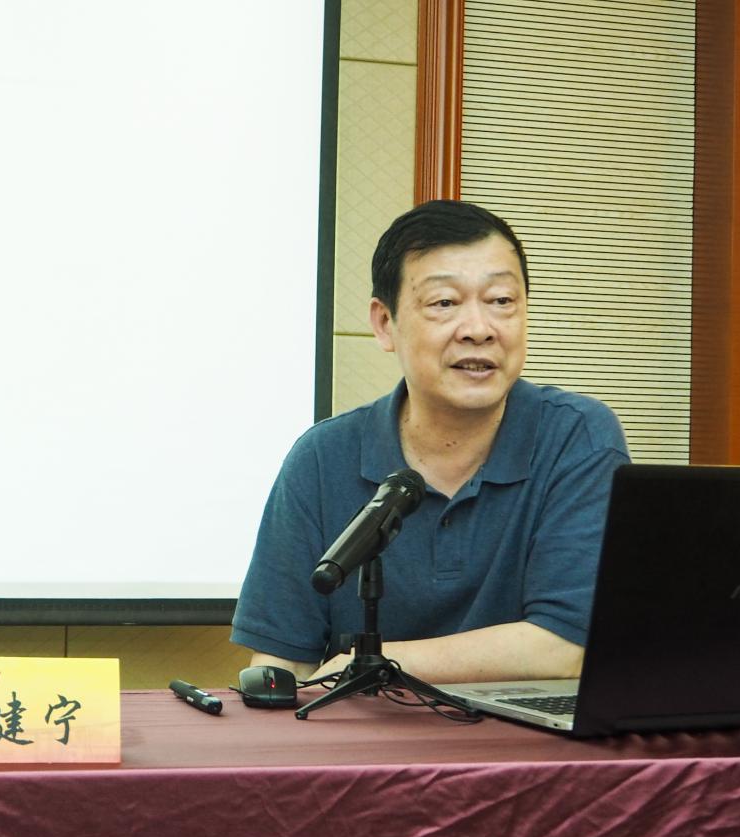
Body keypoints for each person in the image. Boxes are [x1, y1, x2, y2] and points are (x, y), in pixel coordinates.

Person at [230, 200, 630, 683]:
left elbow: (566, 647)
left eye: (502, 301)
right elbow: (283, 661)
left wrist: (367, 667)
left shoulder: (578, 437)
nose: (479, 330)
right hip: (361, 732)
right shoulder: (322, 458)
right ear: (385, 324)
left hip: (518, 733)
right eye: (444, 303)